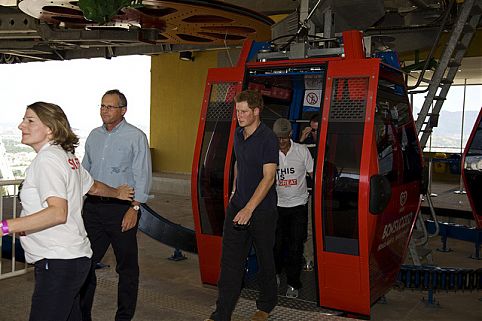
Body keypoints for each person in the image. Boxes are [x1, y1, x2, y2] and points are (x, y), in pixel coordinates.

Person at [0, 102, 133, 321]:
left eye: (30, 120)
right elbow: (94, 187)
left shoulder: (47, 160)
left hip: (58, 262)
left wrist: (5, 227)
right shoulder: (66, 156)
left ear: (50, 128)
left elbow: (57, 213)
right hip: (74, 259)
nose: (21, 125)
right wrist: (117, 193)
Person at [205, 90, 279, 321]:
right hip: (238, 207)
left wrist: (249, 209)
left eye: (244, 111)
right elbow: (239, 161)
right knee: (230, 262)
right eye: (238, 111)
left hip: (262, 212)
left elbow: (269, 177)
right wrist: (236, 190)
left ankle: (265, 306)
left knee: (266, 259)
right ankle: (222, 314)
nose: (240, 115)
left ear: (257, 111)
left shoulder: (268, 138)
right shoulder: (238, 134)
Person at [80, 89, 152, 321]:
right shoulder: (93, 136)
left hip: (122, 209)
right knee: (84, 264)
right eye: (102, 106)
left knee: (127, 269)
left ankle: (123, 317)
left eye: (110, 107)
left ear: (123, 110)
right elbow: (84, 173)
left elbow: (143, 175)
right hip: (92, 207)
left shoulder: (135, 137)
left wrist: (135, 208)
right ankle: (82, 315)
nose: (104, 110)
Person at [272, 118, 313, 299]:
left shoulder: (302, 151)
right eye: (277, 138)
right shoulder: (270, 153)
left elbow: (314, 173)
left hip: (298, 208)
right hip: (278, 207)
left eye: (283, 137)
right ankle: (274, 276)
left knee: (295, 247)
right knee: (276, 246)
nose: (280, 141)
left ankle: (293, 284)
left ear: (290, 135)